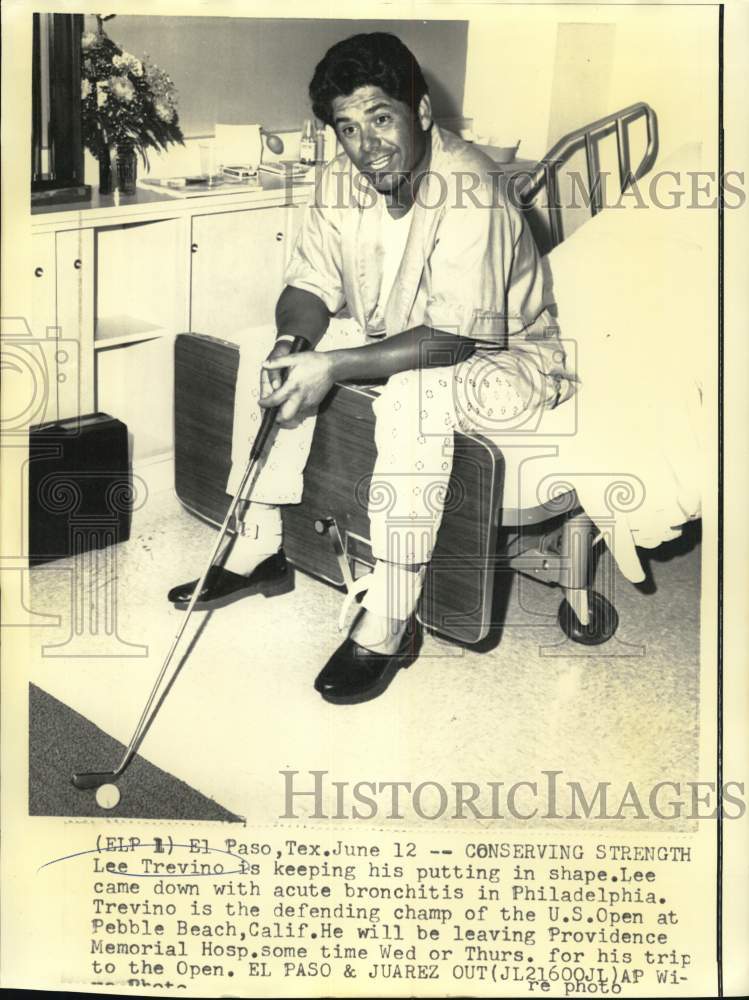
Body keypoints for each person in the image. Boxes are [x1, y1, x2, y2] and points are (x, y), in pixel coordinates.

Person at [168, 32, 571, 705]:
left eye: (379, 118)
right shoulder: (340, 181)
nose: (366, 145)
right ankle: (259, 545)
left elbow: (451, 340)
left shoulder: (472, 192)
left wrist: (334, 365)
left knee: (414, 394)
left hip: (505, 357)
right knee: (266, 346)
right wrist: (295, 344)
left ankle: (389, 614)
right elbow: (308, 285)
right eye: (347, 129)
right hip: (399, 330)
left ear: (419, 112)